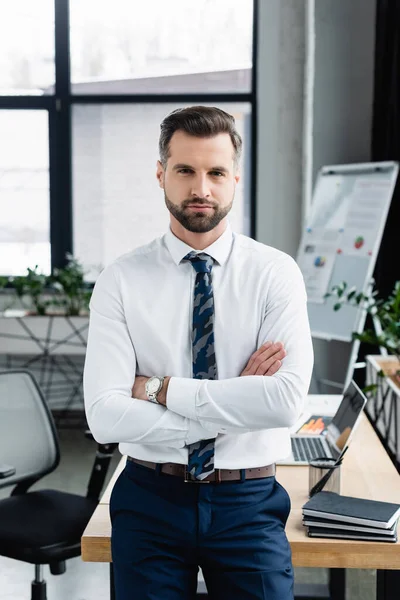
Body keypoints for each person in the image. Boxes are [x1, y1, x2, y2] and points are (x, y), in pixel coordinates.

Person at [83, 106, 314, 600]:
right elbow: (104, 417)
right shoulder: (121, 281)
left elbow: (283, 404)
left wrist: (159, 389)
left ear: (235, 179)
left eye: (215, 173)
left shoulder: (276, 274)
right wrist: (236, 403)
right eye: (186, 170)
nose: (201, 188)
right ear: (162, 174)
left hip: (248, 502)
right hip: (149, 499)